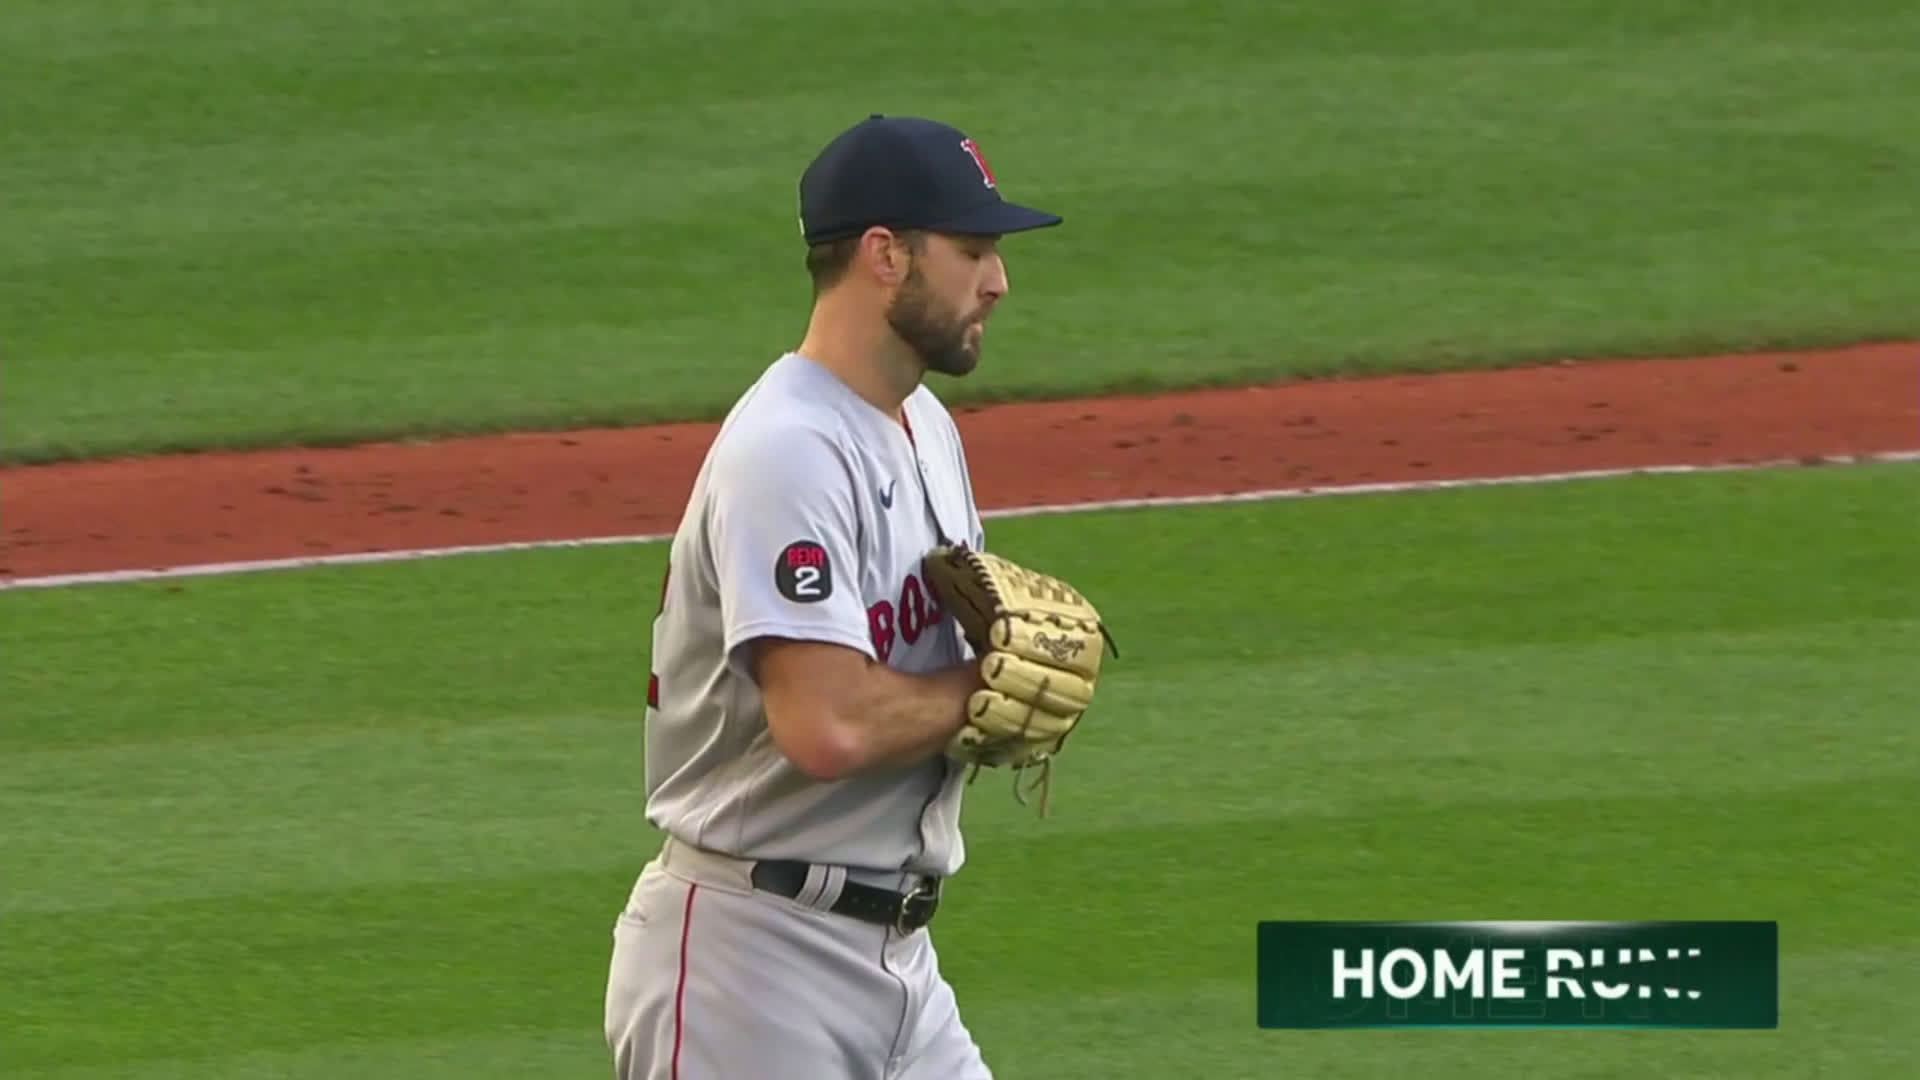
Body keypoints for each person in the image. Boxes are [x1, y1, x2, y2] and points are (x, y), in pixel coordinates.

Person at [602, 114, 1064, 1079]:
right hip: (753, 968)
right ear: (885, 255)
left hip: (897, 962)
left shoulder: (926, 426)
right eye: (973, 249)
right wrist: (984, 686)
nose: (998, 280)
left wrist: (986, 687)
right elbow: (827, 727)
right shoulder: (789, 449)